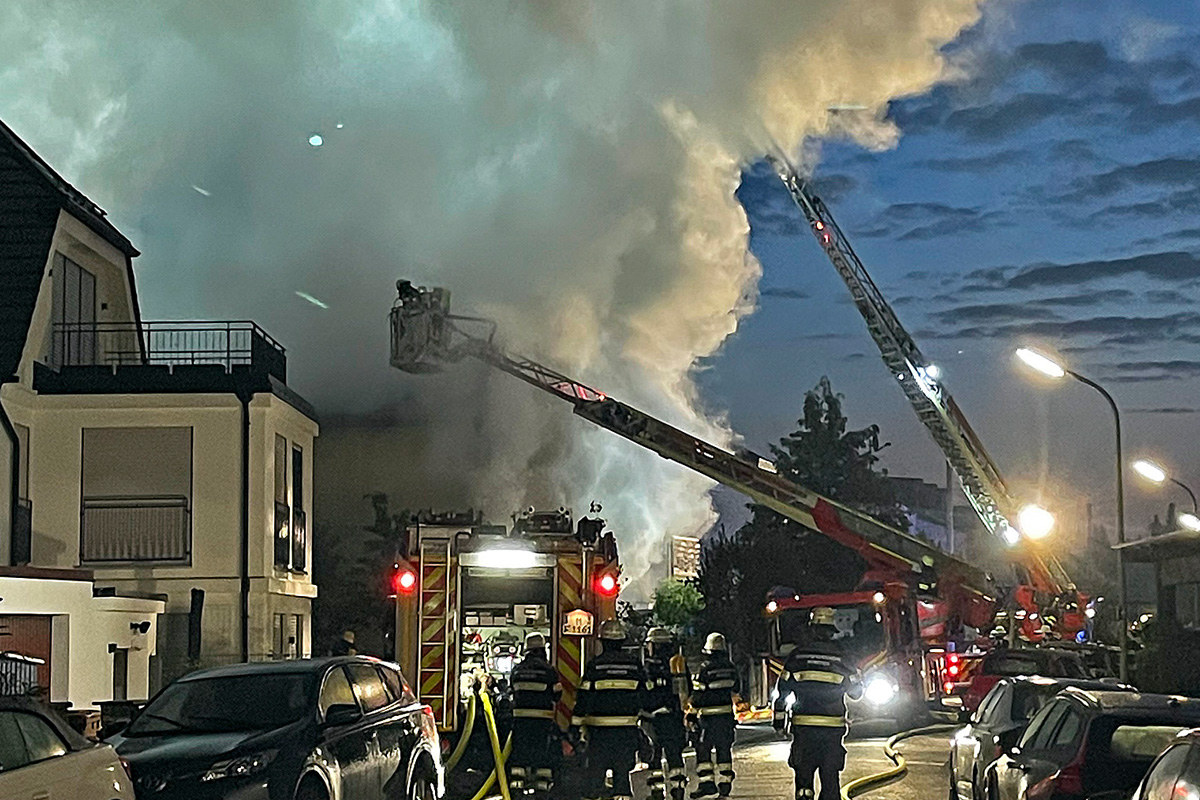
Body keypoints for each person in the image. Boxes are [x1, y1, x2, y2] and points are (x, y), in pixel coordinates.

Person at [774, 607, 860, 800]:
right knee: (830, 778)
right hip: (832, 730)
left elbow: (782, 693)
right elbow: (856, 693)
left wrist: (779, 723)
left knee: (804, 776)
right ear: (831, 631)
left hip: (803, 728)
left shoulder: (796, 657)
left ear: (812, 629)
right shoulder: (843, 658)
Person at [571, 619, 648, 800]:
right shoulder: (634, 665)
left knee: (595, 776)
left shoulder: (594, 666)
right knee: (622, 775)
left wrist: (575, 726)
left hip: (599, 733)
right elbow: (646, 696)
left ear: (602, 642)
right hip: (626, 732)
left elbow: (583, 698)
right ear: (622, 641)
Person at [508, 632, 561, 798]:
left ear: (526, 650)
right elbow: (557, 695)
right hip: (542, 720)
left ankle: (517, 783)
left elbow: (511, 693)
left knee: (520, 749)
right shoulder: (549, 671)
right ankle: (542, 785)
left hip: (520, 720)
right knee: (541, 750)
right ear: (543, 650)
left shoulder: (517, 670)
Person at [690, 632, 740, 798]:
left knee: (703, 751)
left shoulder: (705, 668)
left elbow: (697, 696)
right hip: (726, 718)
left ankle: (707, 784)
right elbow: (737, 688)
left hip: (708, 720)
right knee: (724, 750)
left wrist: (691, 714)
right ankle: (725, 785)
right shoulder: (731, 667)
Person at [641, 627, 688, 800]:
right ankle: (678, 789)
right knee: (674, 754)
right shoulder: (677, 664)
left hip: (653, 719)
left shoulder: (648, 666)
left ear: (654, 645)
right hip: (675, 718)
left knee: (654, 756)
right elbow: (687, 689)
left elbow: (643, 692)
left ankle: (657, 792)